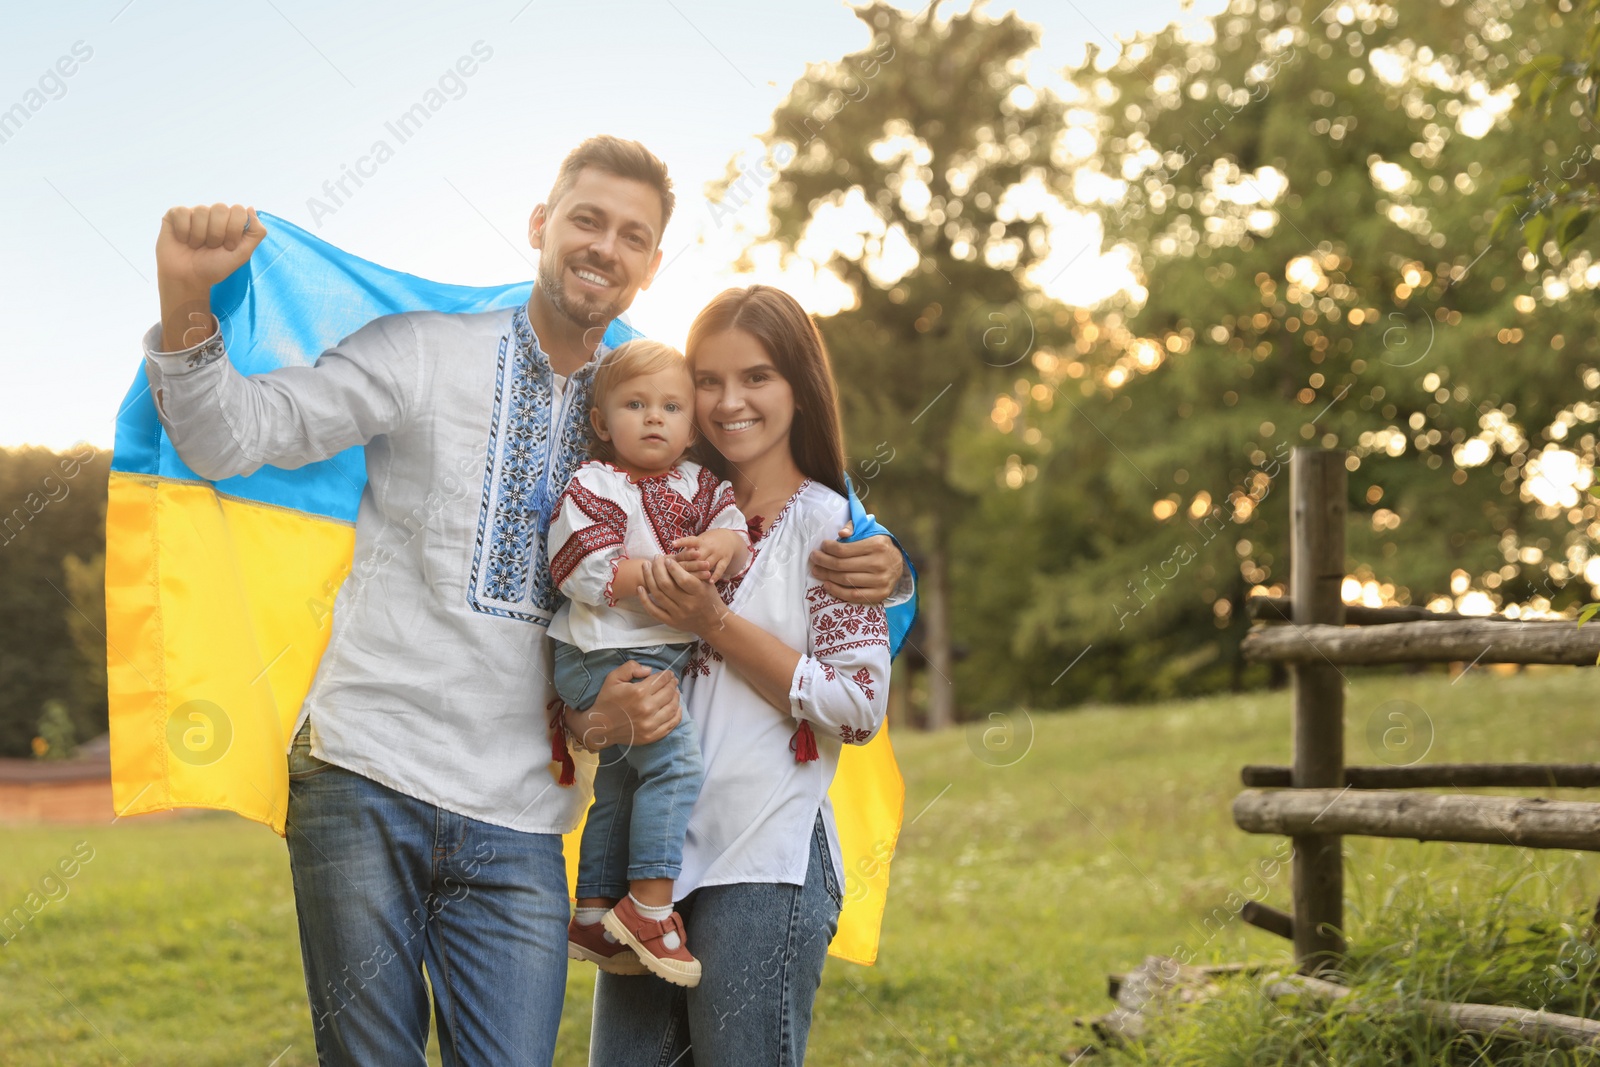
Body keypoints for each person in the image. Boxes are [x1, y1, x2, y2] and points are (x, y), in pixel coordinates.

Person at [143, 135, 906, 1066]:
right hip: (364, 768)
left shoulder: (651, 401)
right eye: (587, 219)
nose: (604, 246)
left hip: (521, 823)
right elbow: (233, 438)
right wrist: (186, 299)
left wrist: (888, 561)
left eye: (632, 234)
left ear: (653, 265)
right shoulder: (425, 352)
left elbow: (788, 508)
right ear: (542, 224)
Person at [587, 284, 899, 1067]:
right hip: (650, 870)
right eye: (710, 379)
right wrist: (602, 714)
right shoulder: (662, 511)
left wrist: (715, 624)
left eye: (756, 376)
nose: (729, 402)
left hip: (765, 857)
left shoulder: (834, 529)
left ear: (799, 386)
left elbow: (858, 707)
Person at [548, 339, 750, 987]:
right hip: (597, 652)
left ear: (693, 424)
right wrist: (655, 574)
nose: (655, 417)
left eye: (671, 406)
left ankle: (593, 910)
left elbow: (735, 531)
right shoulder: (594, 483)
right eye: (636, 405)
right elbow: (580, 567)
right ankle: (650, 907)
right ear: (603, 422)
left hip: (650, 652)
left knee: (626, 781)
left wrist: (719, 545)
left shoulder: (701, 485)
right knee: (675, 763)